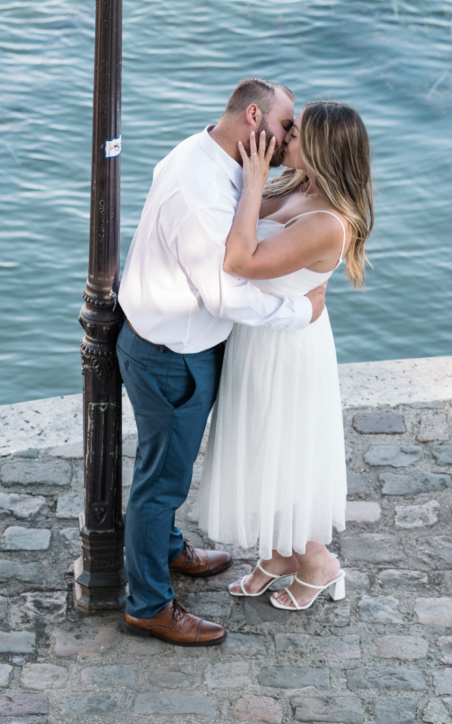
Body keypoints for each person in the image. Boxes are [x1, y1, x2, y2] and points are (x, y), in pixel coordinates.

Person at [117, 78, 327, 647]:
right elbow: (224, 295)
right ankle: (149, 604)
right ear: (254, 117)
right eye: (285, 128)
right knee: (160, 484)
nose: (287, 143)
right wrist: (299, 311)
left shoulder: (201, 149)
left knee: (167, 475)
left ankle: (166, 551)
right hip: (172, 354)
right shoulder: (203, 194)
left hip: (175, 340)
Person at [197, 100, 374, 610]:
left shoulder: (328, 221)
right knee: (261, 446)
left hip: (287, 350)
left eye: (293, 134)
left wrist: (253, 180)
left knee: (284, 451)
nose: (284, 138)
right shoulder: (299, 185)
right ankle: (278, 555)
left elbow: (241, 258)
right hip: (260, 336)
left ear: (319, 149)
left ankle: (318, 561)